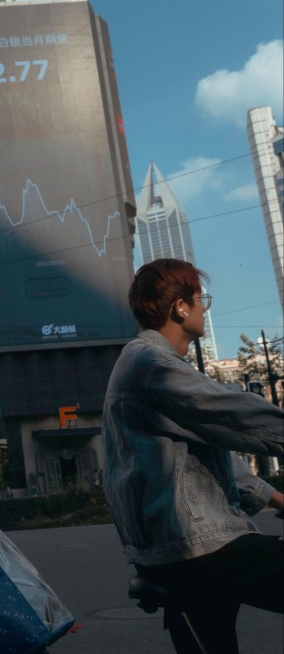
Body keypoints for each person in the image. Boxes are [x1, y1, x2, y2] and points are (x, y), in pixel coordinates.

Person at [102, 258, 284, 654]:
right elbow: (234, 413)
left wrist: (275, 498)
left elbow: (214, 450)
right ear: (181, 307)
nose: (205, 309)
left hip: (185, 546)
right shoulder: (152, 364)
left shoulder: (151, 364)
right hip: (195, 547)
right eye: (202, 300)